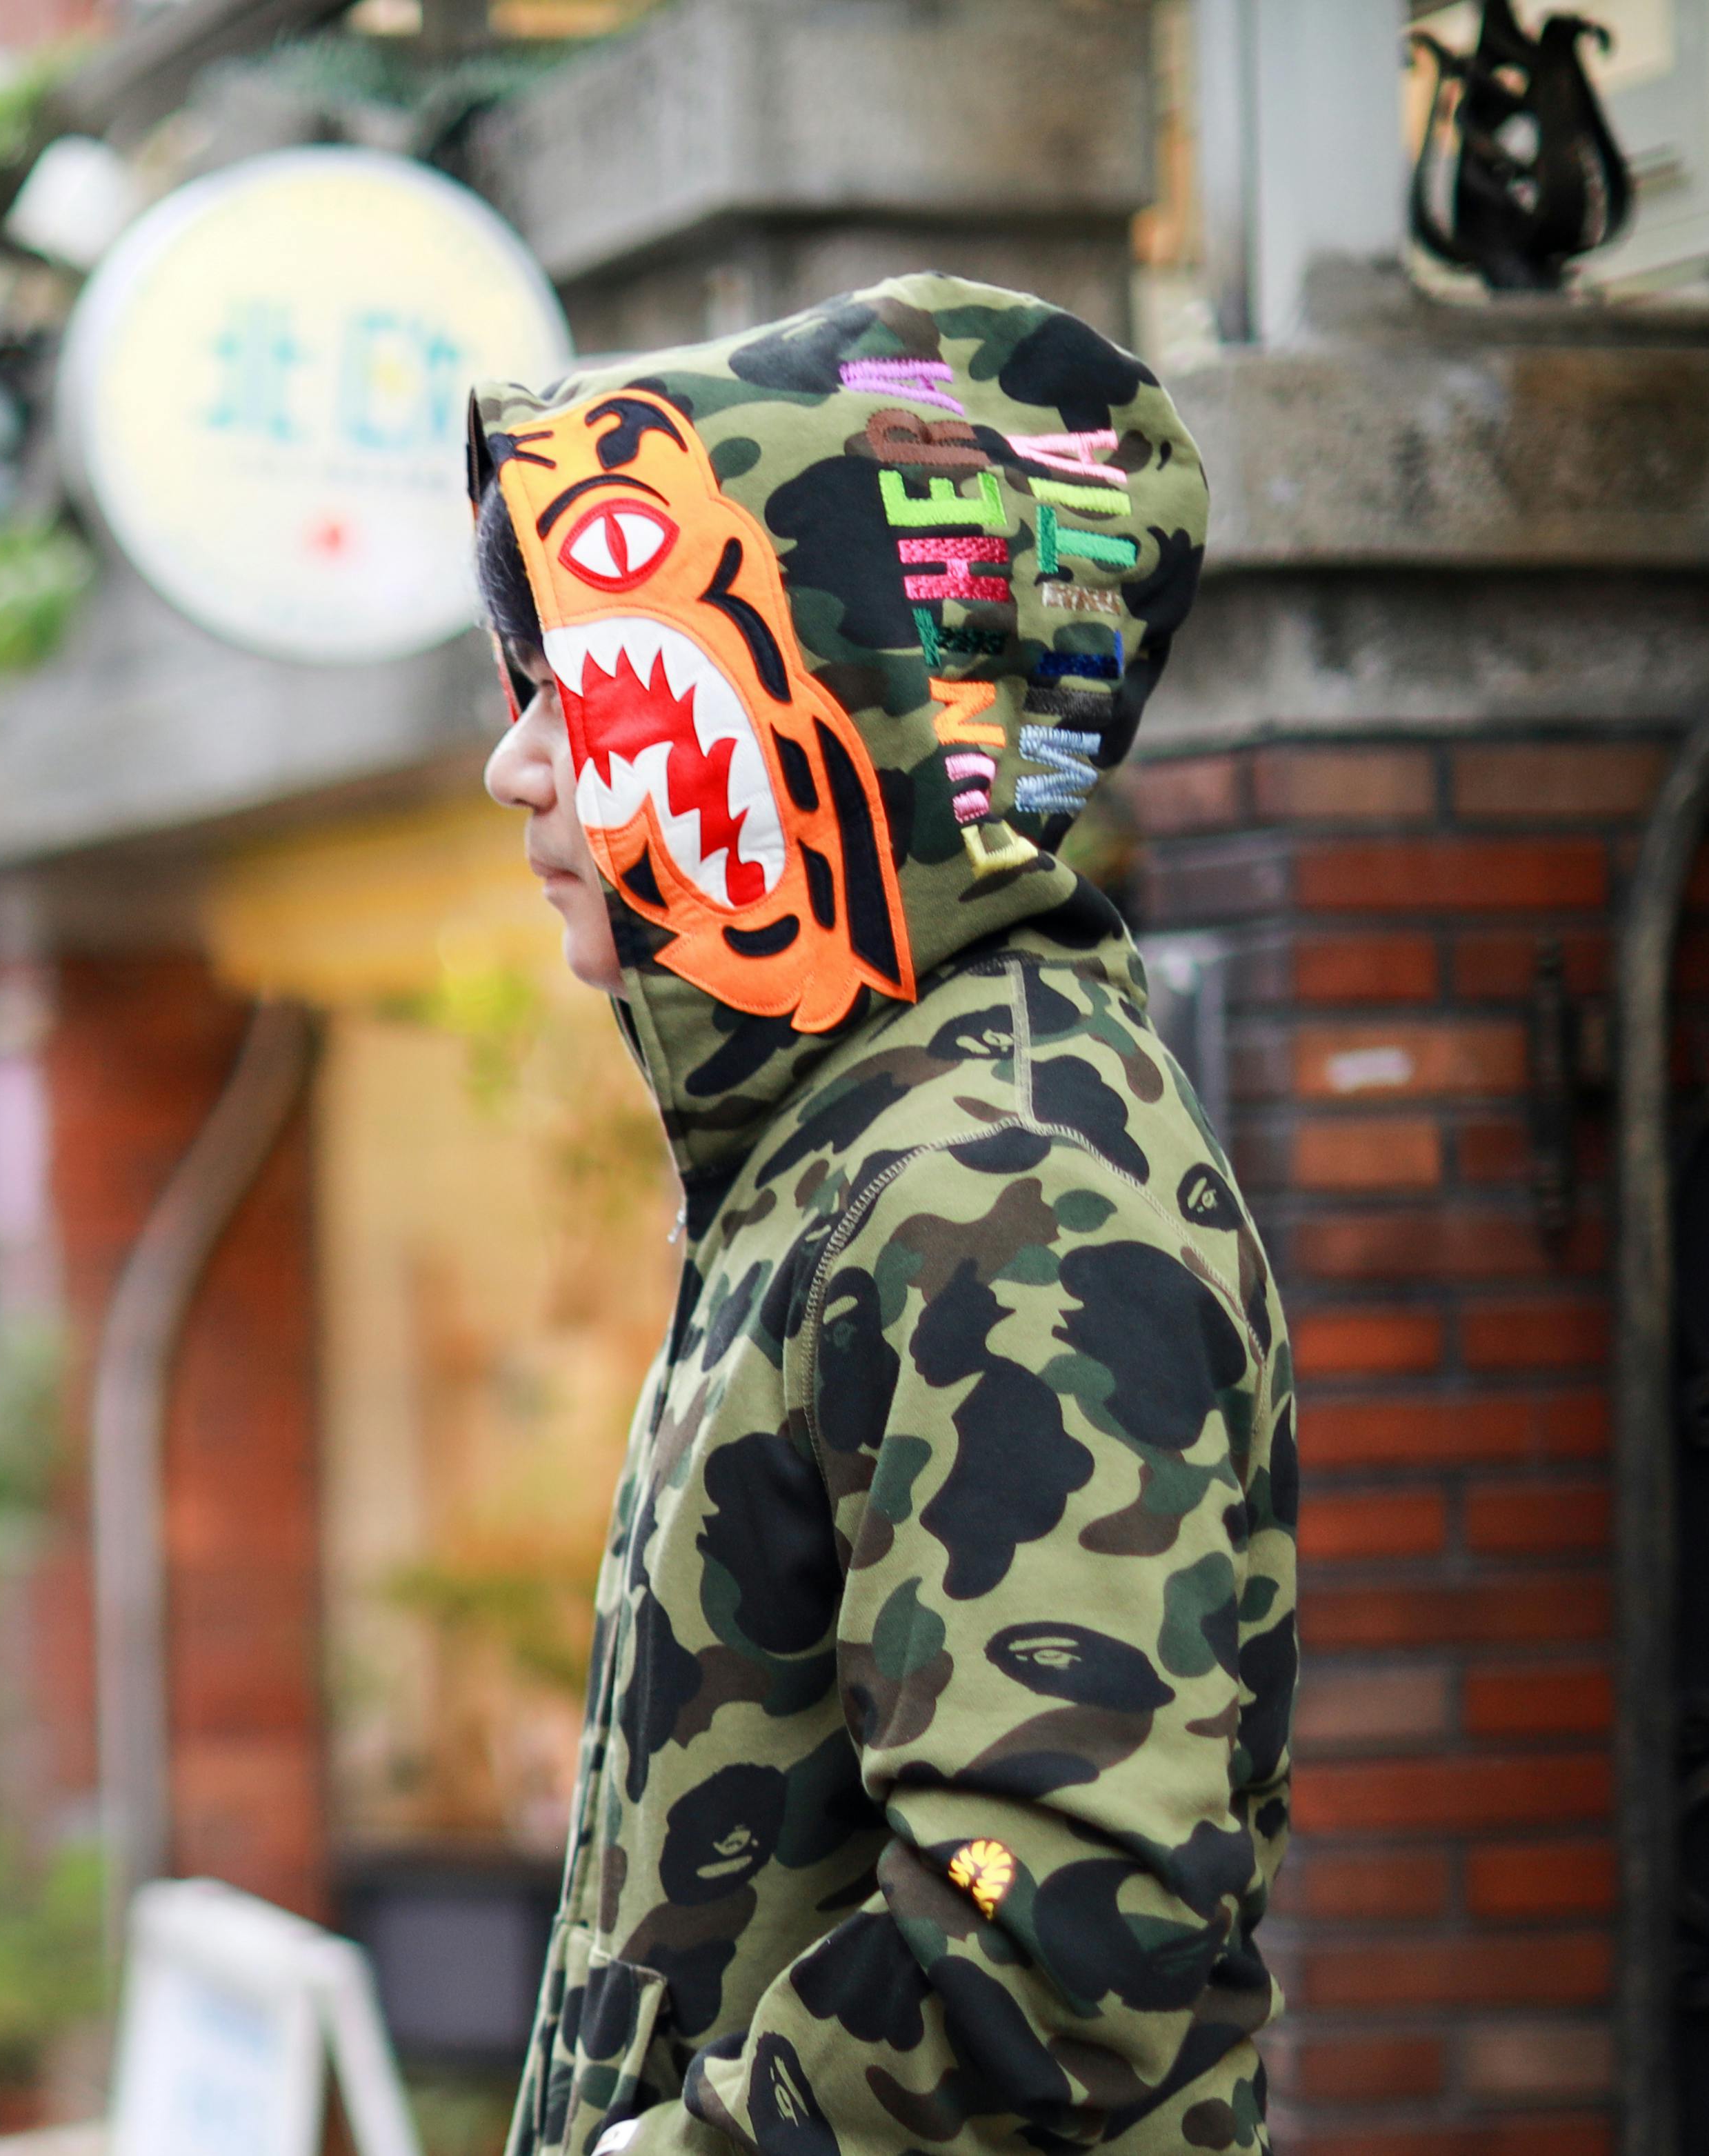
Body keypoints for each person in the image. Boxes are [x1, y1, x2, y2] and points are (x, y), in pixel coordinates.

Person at [466, 274, 1296, 2156]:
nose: (512, 765)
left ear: (811, 707)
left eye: (574, 686)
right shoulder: (867, 1135)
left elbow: (1051, 1921)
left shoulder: (993, 1182)